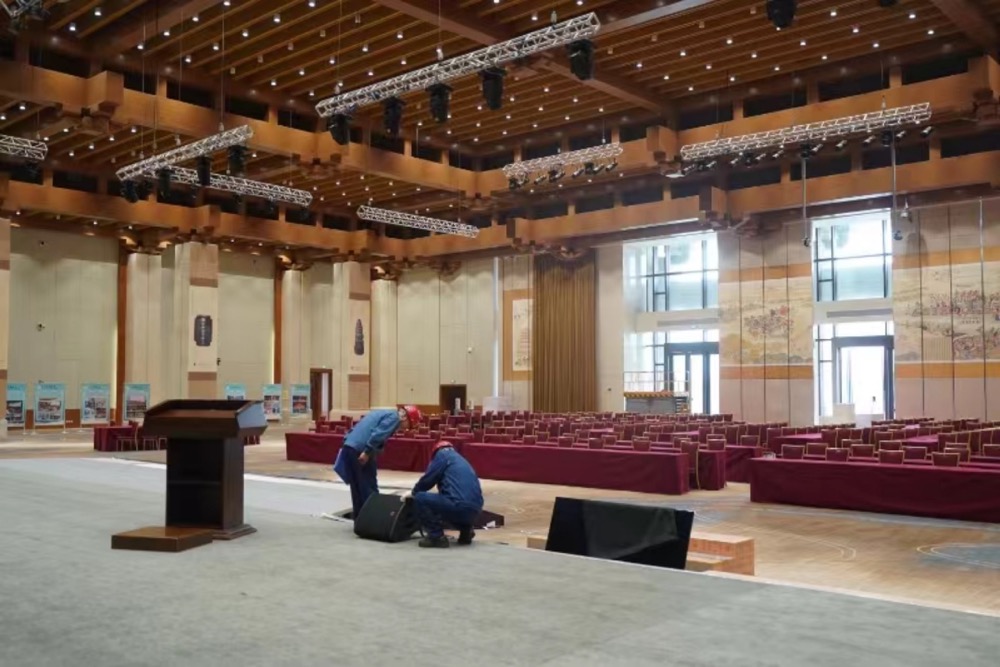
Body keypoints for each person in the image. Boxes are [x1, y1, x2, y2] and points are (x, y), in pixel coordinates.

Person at [333, 405, 422, 518]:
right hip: (361, 449)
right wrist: (367, 451)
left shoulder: (381, 412)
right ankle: (372, 519)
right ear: (406, 418)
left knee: (356, 487)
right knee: (368, 486)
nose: (406, 429)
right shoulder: (395, 418)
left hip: (349, 446)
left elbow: (355, 429)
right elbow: (379, 434)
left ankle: (359, 518)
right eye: (409, 426)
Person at [405, 441, 484, 549]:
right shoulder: (462, 460)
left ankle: (436, 537)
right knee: (454, 501)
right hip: (476, 510)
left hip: (457, 505)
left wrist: (414, 492)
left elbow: (429, 478)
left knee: (421, 498)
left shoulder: (442, 455)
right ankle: (466, 532)